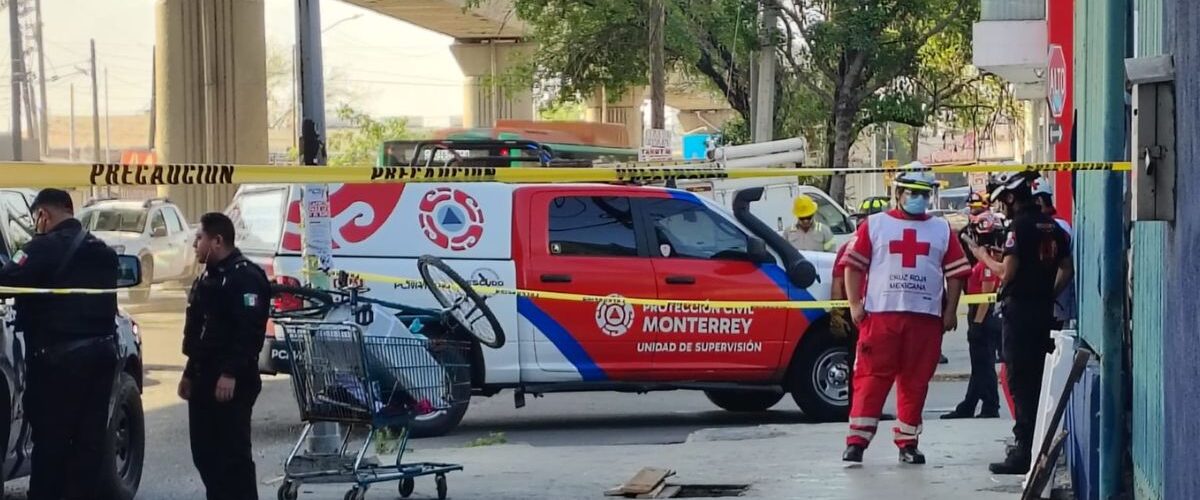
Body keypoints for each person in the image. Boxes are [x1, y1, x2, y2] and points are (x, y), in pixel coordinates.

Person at [840, 169, 970, 465]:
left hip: (924, 320)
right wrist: (854, 305)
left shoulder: (941, 229)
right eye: (913, 193)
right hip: (881, 317)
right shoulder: (875, 225)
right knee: (871, 378)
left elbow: (957, 274)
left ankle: (908, 443)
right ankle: (857, 442)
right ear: (898, 194)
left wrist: (949, 313)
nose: (919, 199)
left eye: (925, 194)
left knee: (916, 382)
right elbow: (852, 266)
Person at [0, 188, 120, 499]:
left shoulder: (40, 249)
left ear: (42, 215)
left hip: (59, 365)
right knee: (89, 443)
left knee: (52, 444)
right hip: (103, 358)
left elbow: (5, 281)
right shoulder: (104, 252)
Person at [967, 171, 1073, 475]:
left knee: (1020, 381)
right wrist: (1048, 292)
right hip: (1045, 311)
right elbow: (1067, 267)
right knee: (1039, 379)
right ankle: (1038, 444)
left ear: (1012, 198)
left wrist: (982, 256)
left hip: (1020, 314)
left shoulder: (1020, 227)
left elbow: (1006, 273)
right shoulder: (1051, 226)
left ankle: (1023, 450)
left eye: (1002, 201)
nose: (1001, 207)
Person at [179, 212, 272, 500]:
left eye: (199, 238)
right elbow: (199, 331)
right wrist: (189, 372)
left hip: (233, 380)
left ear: (217, 241)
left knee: (233, 457)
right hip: (204, 377)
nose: (195, 244)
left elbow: (249, 331)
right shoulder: (209, 277)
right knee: (205, 455)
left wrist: (230, 372)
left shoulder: (245, 277)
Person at [830, 199, 894, 421]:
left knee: (869, 363)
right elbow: (839, 281)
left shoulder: (855, 245)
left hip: (869, 309)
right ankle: (860, 410)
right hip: (865, 310)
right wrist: (838, 313)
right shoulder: (867, 244)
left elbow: (838, 282)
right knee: (865, 364)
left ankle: (862, 410)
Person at [941, 212, 1003, 420]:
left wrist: (977, 324)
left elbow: (986, 296)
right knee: (980, 366)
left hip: (983, 319)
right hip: (980, 317)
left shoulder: (987, 263)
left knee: (983, 366)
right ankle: (971, 405)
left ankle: (989, 406)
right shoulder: (984, 260)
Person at [1031, 179, 1077, 329]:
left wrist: (1049, 295)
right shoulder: (1052, 225)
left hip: (1058, 310)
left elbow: (1064, 267)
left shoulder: (1055, 227)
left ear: (1038, 201)